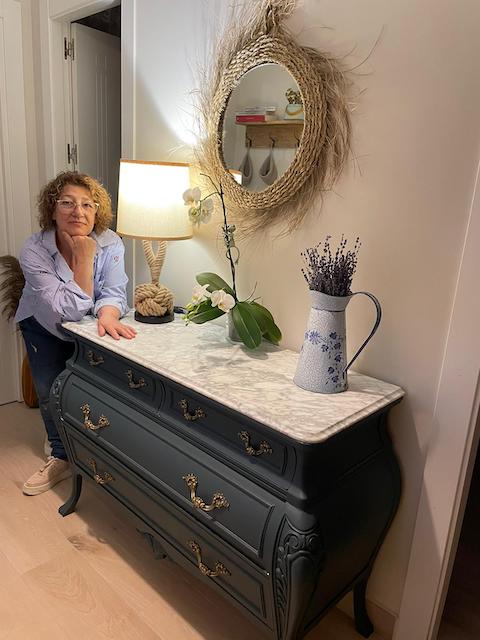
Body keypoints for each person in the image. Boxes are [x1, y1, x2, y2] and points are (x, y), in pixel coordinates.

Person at [14, 171, 136, 496]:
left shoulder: (111, 242)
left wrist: (108, 313)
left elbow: (114, 291)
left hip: (87, 329)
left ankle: (88, 446)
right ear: (52, 210)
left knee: (89, 390)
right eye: (67, 203)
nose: (78, 212)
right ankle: (60, 455)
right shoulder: (34, 249)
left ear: (97, 211)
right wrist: (84, 257)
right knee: (49, 390)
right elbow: (67, 310)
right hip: (42, 326)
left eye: (87, 204)